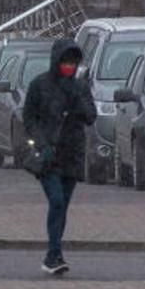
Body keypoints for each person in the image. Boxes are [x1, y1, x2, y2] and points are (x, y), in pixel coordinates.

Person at [22, 39, 96, 275]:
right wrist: (42, 143)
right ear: (56, 61)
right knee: (56, 201)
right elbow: (29, 118)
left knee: (62, 206)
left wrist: (77, 100)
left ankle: (54, 254)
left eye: (73, 63)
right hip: (49, 155)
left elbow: (90, 116)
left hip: (71, 154)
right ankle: (54, 254)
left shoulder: (80, 87)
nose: (69, 66)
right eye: (65, 61)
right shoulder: (40, 85)